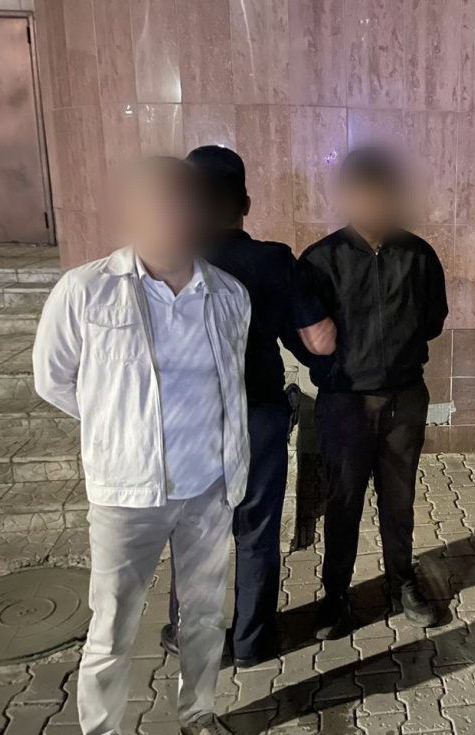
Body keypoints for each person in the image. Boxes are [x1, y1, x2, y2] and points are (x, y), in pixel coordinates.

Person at [33, 157, 250, 735]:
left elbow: (229, 384)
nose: (173, 215)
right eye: (158, 203)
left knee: (203, 617)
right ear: (131, 212)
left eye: (184, 202)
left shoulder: (228, 294)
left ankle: (198, 713)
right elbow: (53, 380)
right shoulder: (86, 291)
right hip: (126, 496)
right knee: (112, 627)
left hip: (208, 490)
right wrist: (120, 428)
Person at [158, 146, 336, 668]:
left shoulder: (164, 260)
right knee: (256, 531)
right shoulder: (272, 261)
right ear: (246, 204)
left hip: (188, 423)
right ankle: (253, 641)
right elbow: (320, 342)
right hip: (257, 417)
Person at [299, 146, 448, 639]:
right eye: (362, 195)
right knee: (343, 502)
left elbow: (433, 320)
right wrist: (332, 367)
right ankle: (336, 595)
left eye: (382, 195)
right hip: (344, 402)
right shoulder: (321, 260)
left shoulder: (419, 256)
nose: (373, 205)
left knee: (399, 501)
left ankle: (401, 583)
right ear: (346, 197)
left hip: (404, 398)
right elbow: (301, 333)